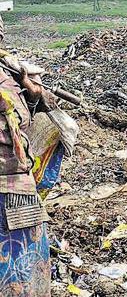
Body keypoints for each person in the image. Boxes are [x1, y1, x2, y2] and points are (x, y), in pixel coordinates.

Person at [0, 64, 64, 296]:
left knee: (27, 272)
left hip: (20, 192)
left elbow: (19, 124)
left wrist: (33, 96)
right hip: (8, 190)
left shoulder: (7, 76)